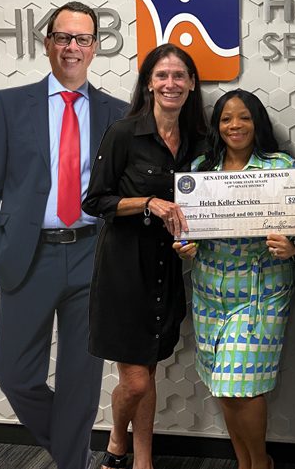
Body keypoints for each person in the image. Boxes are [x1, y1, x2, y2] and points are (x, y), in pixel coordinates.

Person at [0, 1, 127, 469]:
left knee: (81, 381)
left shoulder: (117, 114)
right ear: (47, 44)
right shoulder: (9, 104)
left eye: (82, 39)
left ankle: (70, 465)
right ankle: (72, 454)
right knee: (16, 375)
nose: (72, 47)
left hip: (92, 256)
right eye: (63, 37)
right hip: (28, 255)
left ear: (96, 47)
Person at [82, 43, 207, 469]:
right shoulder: (123, 133)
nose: (171, 83)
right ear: (149, 84)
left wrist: (195, 239)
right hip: (124, 270)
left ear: (192, 84)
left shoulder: (198, 142)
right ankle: (117, 440)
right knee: (135, 381)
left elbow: (205, 206)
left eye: (179, 76)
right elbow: (95, 201)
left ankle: (142, 459)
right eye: (162, 76)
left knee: (148, 370)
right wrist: (148, 202)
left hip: (166, 268)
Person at [174, 89, 295, 469]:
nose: (235, 125)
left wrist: (292, 246)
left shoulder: (279, 167)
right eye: (227, 118)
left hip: (260, 292)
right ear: (217, 125)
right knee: (224, 387)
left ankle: (260, 463)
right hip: (209, 293)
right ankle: (246, 463)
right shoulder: (200, 170)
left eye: (244, 117)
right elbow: (184, 230)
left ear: (257, 122)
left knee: (238, 383)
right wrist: (184, 246)